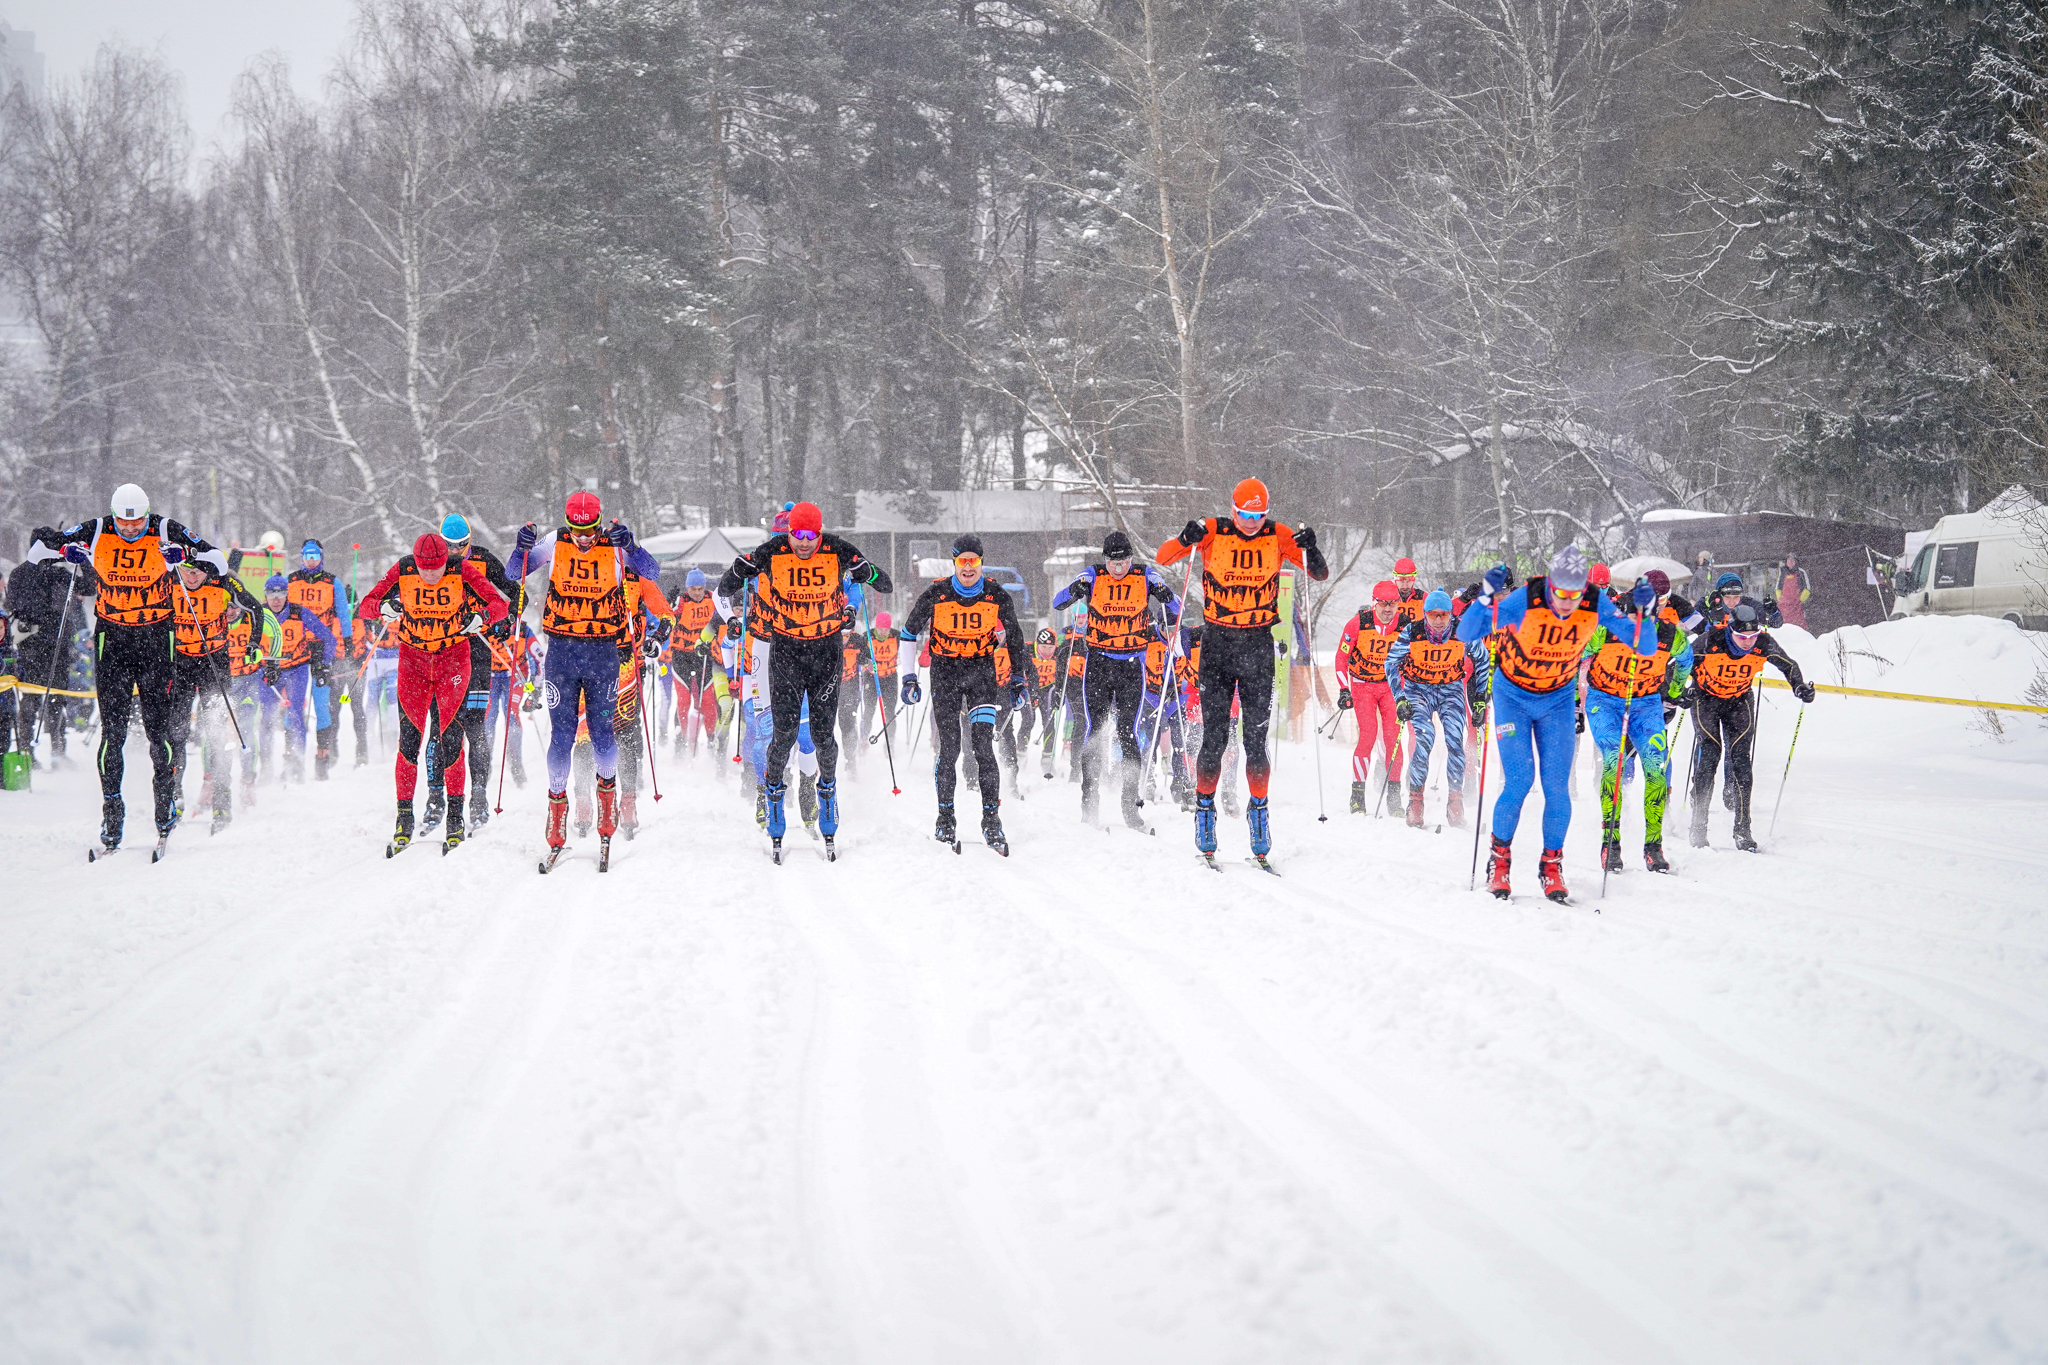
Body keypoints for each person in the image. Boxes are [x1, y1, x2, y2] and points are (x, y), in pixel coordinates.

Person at [24, 484, 231, 851]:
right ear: (114, 514)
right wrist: (67, 551)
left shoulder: (166, 529)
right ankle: (112, 814)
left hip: (156, 638)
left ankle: (164, 806)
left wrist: (184, 555)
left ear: (146, 514)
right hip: (113, 639)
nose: (131, 528)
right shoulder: (98, 528)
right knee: (113, 733)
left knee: (159, 731)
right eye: (124, 521)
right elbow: (37, 551)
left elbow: (219, 561)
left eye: (136, 522)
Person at [1455, 546, 1658, 902]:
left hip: (1557, 700)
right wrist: (1486, 598)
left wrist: (1645, 613)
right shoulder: (1526, 599)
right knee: (1519, 780)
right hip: (1513, 696)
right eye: (1560, 594)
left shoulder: (1594, 601)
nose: (1567, 603)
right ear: (1550, 584)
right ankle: (1499, 861)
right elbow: (1466, 633)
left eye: (1574, 595)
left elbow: (1644, 647)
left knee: (1556, 787)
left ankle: (1551, 866)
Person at [1154, 477, 1328, 863]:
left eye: (1259, 515)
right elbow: (1164, 557)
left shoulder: (1278, 535)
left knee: (1255, 740)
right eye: (1246, 515)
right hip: (1216, 644)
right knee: (1214, 739)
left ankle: (1259, 813)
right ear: (1233, 510)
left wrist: (1310, 546)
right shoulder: (1214, 530)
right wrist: (1186, 537)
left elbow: (1318, 574)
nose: (1252, 522)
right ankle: (1204, 811)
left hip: (1257, 644)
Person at [717, 500, 891, 853]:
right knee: (773, 731)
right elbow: (725, 588)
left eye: (809, 535)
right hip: (774, 649)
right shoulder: (771, 553)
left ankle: (820, 792)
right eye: (794, 535)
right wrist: (737, 578)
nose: (802, 543)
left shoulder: (836, 549)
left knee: (819, 734)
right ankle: (770, 796)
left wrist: (860, 586)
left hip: (825, 650)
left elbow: (876, 583)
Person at [509, 492, 645, 861]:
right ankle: (556, 812)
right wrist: (521, 550)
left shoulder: (614, 545)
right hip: (563, 654)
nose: (584, 539)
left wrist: (631, 545)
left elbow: (650, 571)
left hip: (603, 653)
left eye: (590, 531)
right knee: (563, 735)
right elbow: (513, 573)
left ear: (599, 522)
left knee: (603, 735)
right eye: (577, 531)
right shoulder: (555, 542)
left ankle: (607, 801)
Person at [358, 531, 508, 854]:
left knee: (451, 738)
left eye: (436, 569)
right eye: (424, 570)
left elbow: (499, 605)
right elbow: (365, 606)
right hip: (413, 662)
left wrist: (481, 618)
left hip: (453, 661)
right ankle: (403, 819)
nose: (429, 576)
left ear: (445, 561)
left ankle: (455, 818)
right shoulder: (403, 569)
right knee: (409, 740)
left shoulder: (461, 570)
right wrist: (383, 607)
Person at [903, 534, 1028, 853]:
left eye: (974, 561)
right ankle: (945, 819)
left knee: (983, 748)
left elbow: (1014, 638)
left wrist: (1017, 679)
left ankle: (991, 821)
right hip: (945, 673)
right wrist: (908, 678)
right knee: (949, 748)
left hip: (981, 674)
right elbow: (908, 632)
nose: (968, 567)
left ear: (981, 563)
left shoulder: (996, 594)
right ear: (954, 562)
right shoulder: (937, 592)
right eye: (962, 561)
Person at [1051, 529, 1181, 828]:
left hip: (1131, 666)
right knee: (1094, 730)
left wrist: (1164, 594)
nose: (1118, 568)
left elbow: (1177, 608)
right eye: (1113, 562)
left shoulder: (1146, 575)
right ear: (1105, 560)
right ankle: (1089, 802)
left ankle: (1129, 805)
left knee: (1128, 732)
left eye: (1123, 562)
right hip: (1098, 663)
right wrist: (1077, 588)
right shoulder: (1093, 574)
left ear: (1131, 559)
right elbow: (1060, 602)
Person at [1578, 579, 1694, 872]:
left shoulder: (1669, 635)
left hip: (1645, 705)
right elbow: (1576, 652)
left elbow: (1686, 659)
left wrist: (1675, 691)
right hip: (1604, 701)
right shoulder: (1606, 629)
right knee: (1614, 758)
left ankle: (1653, 846)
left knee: (1656, 768)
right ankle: (1611, 843)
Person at [1683, 602, 1813, 851]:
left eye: (1752, 636)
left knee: (1741, 759)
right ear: (1730, 630)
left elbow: (1789, 665)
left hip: (1738, 701)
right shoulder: (1711, 639)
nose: (1747, 642)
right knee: (1710, 753)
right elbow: (1681, 663)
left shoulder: (1763, 642)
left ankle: (1743, 829)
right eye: (1742, 636)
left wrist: (1799, 687)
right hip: (1706, 699)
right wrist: (1681, 691)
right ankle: (1698, 826)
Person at [424, 514, 518, 829]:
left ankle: (478, 797)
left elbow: (516, 594)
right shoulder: (426, 564)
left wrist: (505, 622)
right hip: (441, 654)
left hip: (478, 654)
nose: (454, 552)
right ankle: (435, 799)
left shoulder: (482, 559)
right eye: (449, 546)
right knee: (439, 729)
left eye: (461, 546)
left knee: (474, 728)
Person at [168, 560, 265, 833]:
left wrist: (254, 642)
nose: (191, 577)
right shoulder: (171, 578)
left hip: (214, 664)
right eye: (186, 572)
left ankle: (222, 802)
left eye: (197, 572)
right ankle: (173, 798)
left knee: (217, 733)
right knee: (175, 732)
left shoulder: (223, 582)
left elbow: (255, 607)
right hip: (181, 663)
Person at [1386, 588, 1482, 829]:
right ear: (1425, 614)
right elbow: (1391, 662)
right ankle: (1415, 801)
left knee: (1454, 740)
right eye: (1433, 615)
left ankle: (1455, 801)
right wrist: (1399, 698)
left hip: (1451, 689)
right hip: (1419, 690)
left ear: (1451, 614)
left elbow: (1483, 660)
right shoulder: (1412, 631)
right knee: (1424, 738)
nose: (1439, 621)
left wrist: (1480, 697)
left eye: (1444, 615)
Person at [260, 574, 340, 783]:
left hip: (297, 668)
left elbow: (329, 638)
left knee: (295, 714)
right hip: (271, 670)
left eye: (281, 593)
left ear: (287, 594)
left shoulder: (300, 612)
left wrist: (325, 663)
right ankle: (265, 766)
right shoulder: (259, 614)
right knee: (266, 718)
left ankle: (296, 762)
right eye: (271, 594)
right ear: (265, 595)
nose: (276, 599)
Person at [4, 554, 83, 765]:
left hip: (37, 645)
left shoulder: (21, 573)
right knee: (49, 699)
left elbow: (11, 604)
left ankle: (41, 750)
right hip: (44, 645)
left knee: (41, 699)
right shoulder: (58, 574)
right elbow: (87, 588)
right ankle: (51, 750)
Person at [1333, 581, 1404, 815]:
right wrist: (1344, 689)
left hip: (1390, 688)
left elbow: (1411, 661)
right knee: (1368, 735)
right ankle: (1357, 797)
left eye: (1392, 604)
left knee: (1393, 739)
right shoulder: (1357, 624)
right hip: (1363, 686)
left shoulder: (1405, 627)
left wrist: (1408, 694)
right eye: (1383, 604)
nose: (1387, 609)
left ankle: (1394, 799)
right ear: (1375, 603)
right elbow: (1341, 659)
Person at [285, 539, 352, 778]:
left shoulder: (332, 582)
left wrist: (349, 640)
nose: (311, 560)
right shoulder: (290, 581)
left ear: (321, 557)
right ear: (301, 557)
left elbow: (344, 614)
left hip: (323, 649)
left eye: (315, 556)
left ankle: (322, 756)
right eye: (307, 556)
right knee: (292, 704)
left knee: (322, 703)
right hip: (295, 648)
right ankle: (291, 756)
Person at [668, 568, 722, 755]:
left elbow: (720, 621)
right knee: (683, 700)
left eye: (700, 588)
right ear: (687, 588)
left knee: (707, 701)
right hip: (682, 656)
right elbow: (667, 615)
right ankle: (681, 738)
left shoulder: (711, 600)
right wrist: (669, 603)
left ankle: (710, 737)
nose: (697, 592)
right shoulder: (681, 601)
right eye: (693, 589)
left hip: (703, 656)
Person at [1777, 554, 1812, 630]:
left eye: (1792, 560)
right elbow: (1778, 588)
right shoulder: (1782, 573)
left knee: (1798, 627)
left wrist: (1800, 600)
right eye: (1789, 560)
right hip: (1784, 606)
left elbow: (1807, 589)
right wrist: (1781, 600)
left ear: (1796, 561)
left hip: (1797, 606)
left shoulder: (1801, 572)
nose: (1790, 562)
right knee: (1783, 627)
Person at [1391, 557, 1426, 625]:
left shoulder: (1423, 598)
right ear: (1395, 580)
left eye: (1408, 581)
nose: (1405, 586)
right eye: (1401, 582)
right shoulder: (1386, 599)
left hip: (1416, 634)